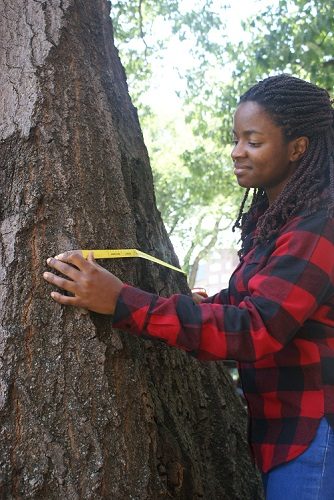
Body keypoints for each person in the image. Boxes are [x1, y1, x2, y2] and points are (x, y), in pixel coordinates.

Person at [43, 74, 334, 499]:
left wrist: (122, 301)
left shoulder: (319, 225)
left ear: (298, 148)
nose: (236, 152)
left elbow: (256, 328)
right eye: (236, 139)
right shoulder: (275, 223)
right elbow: (245, 303)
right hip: (278, 430)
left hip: (312, 429)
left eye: (253, 141)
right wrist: (204, 305)